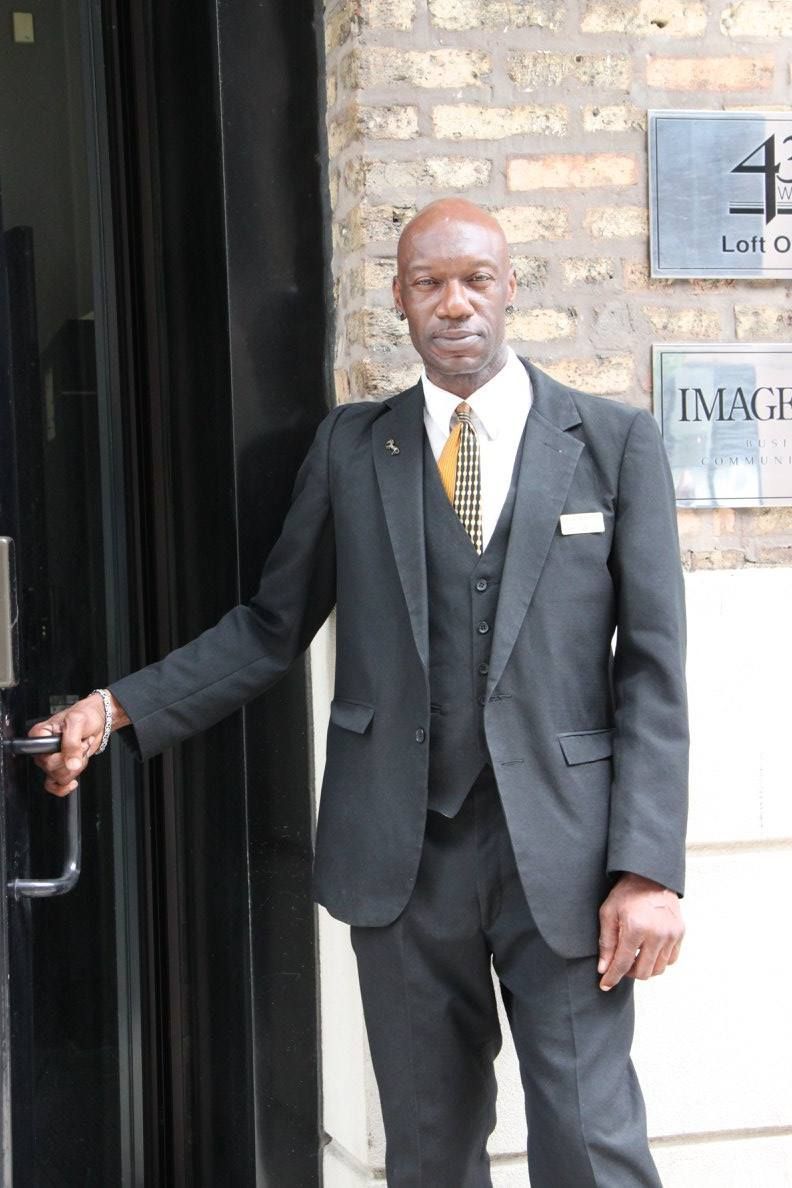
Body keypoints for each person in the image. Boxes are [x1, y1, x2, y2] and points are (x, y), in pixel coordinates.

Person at [33, 197, 687, 1187]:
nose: (454, 303)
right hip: (403, 856)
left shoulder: (611, 442)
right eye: (429, 283)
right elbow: (268, 628)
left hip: (568, 859)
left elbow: (653, 669)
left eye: (475, 279)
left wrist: (649, 868)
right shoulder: (351, 448)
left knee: (593, 1142)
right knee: (426, 1150)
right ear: (398, 299)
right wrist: (115, 708)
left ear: (510, 287)